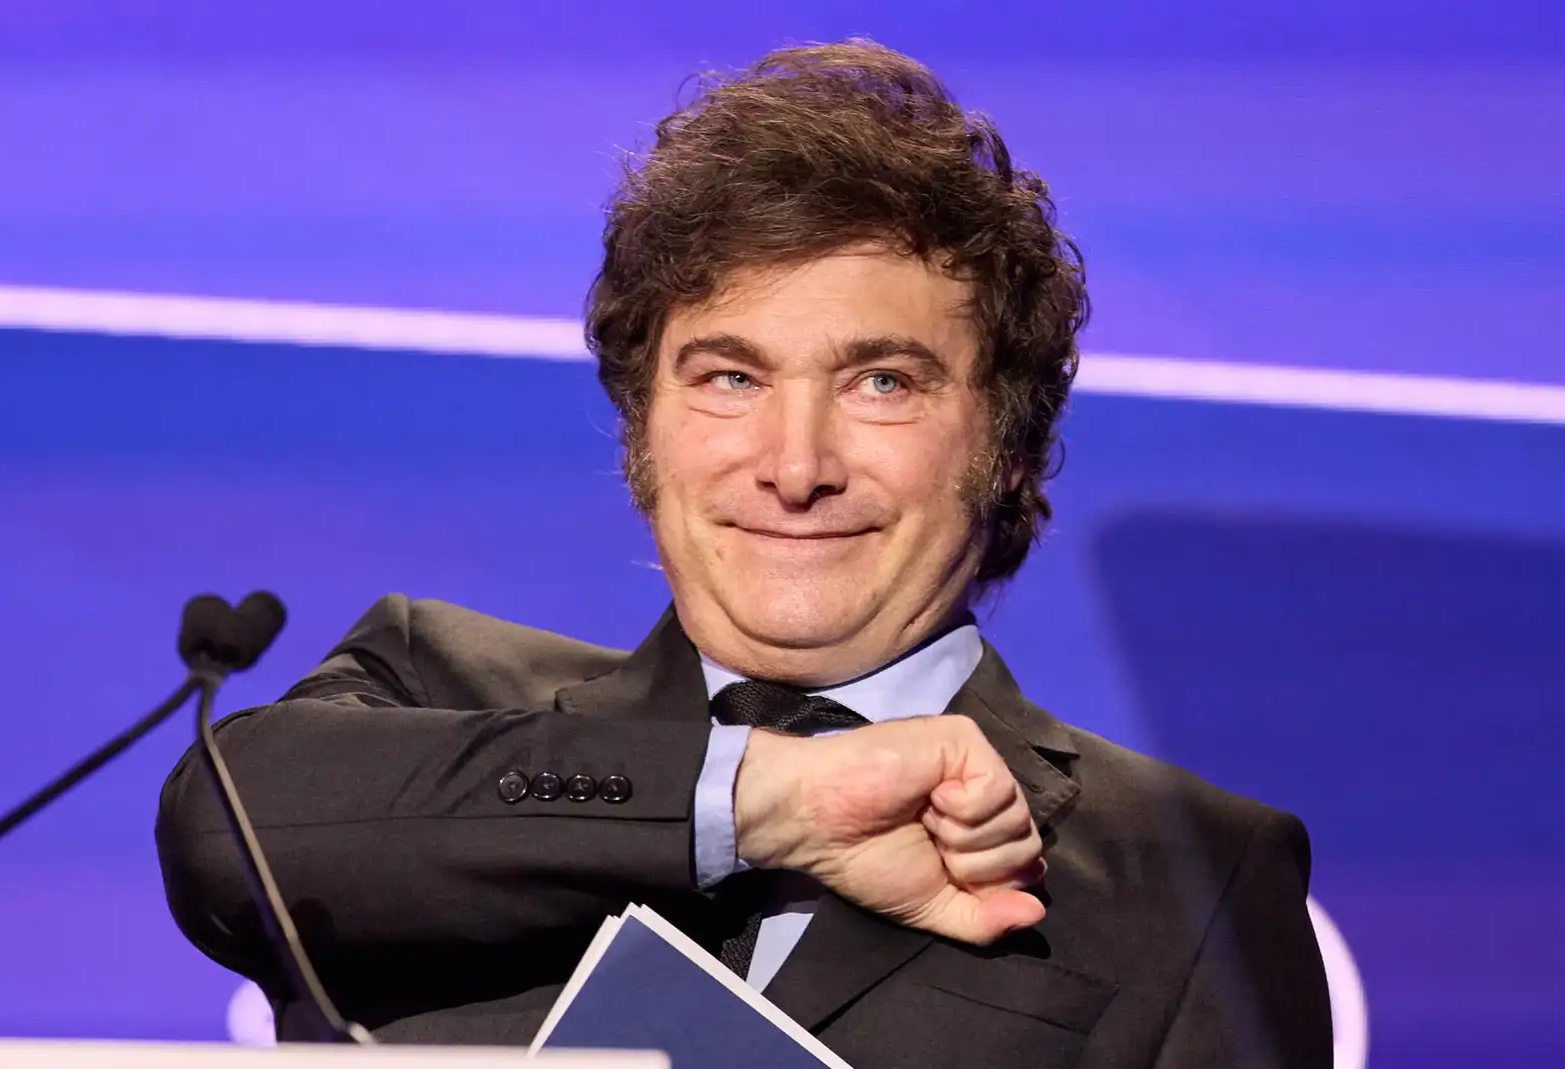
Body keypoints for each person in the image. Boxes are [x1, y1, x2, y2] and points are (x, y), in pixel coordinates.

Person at [156, 39, 1332, 1068]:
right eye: (730, 377)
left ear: (1009, 447)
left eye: (882, 382)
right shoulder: (432, 687)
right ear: (643, 432)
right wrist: (773, 799)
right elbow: (225, 829)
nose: (794, 464)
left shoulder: (1188, 876)